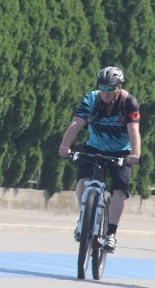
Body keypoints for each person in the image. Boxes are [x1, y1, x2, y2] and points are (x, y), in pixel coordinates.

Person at [56, 66, 141, 252]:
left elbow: (133, 130)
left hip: (120, 151)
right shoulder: (92, 98)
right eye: (102, 88)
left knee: (119, 190)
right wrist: (65, 146)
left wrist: (135, 154)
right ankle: (83, 219)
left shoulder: (129, 102)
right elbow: (76, 122)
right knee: (83, 182)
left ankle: (110, 233)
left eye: (110, 88)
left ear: (119, 87)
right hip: (94, 147)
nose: (106, 93)